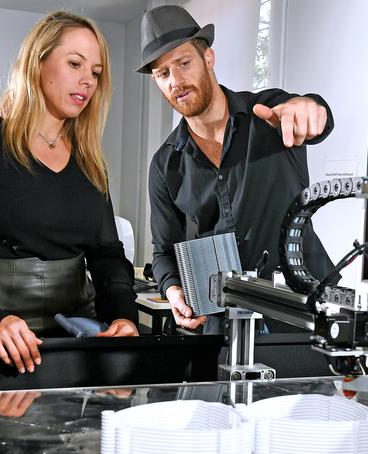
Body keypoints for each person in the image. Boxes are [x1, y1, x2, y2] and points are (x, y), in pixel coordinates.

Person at [0, 11, 139, 375]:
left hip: (74, 334)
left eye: (95, 73)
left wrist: (124, 317)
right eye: (75, 63)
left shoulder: (89, 158)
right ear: (38, 62)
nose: (87, 81)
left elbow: (107, 254)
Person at [137, 5, 336, 333]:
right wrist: (173, 292)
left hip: (301, 303)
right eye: (163, 74)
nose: (176, 81)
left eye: (184, 63)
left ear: (208, 58)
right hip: (222, 317)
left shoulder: (267, 114)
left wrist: (311, 109)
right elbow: (163, 252)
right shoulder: (165, 164)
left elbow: (310, 110)